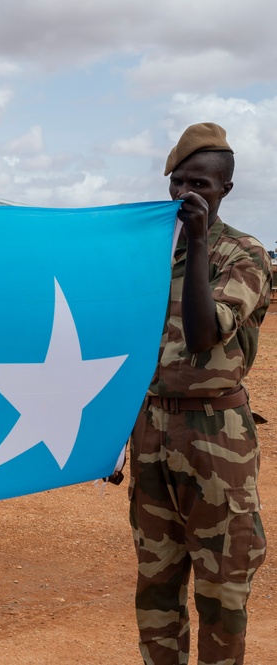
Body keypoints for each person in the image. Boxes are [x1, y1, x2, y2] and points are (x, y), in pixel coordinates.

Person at [129, 123, 270, 665]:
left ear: (225, 190)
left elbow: (204, 331)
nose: (186, 195)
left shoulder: (244, 255)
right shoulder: (150, 256)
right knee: (156, 583)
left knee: (221, 590)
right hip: (152, 431)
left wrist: (197, 240)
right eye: (179, 183)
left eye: (201, 186)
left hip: (217, 439)